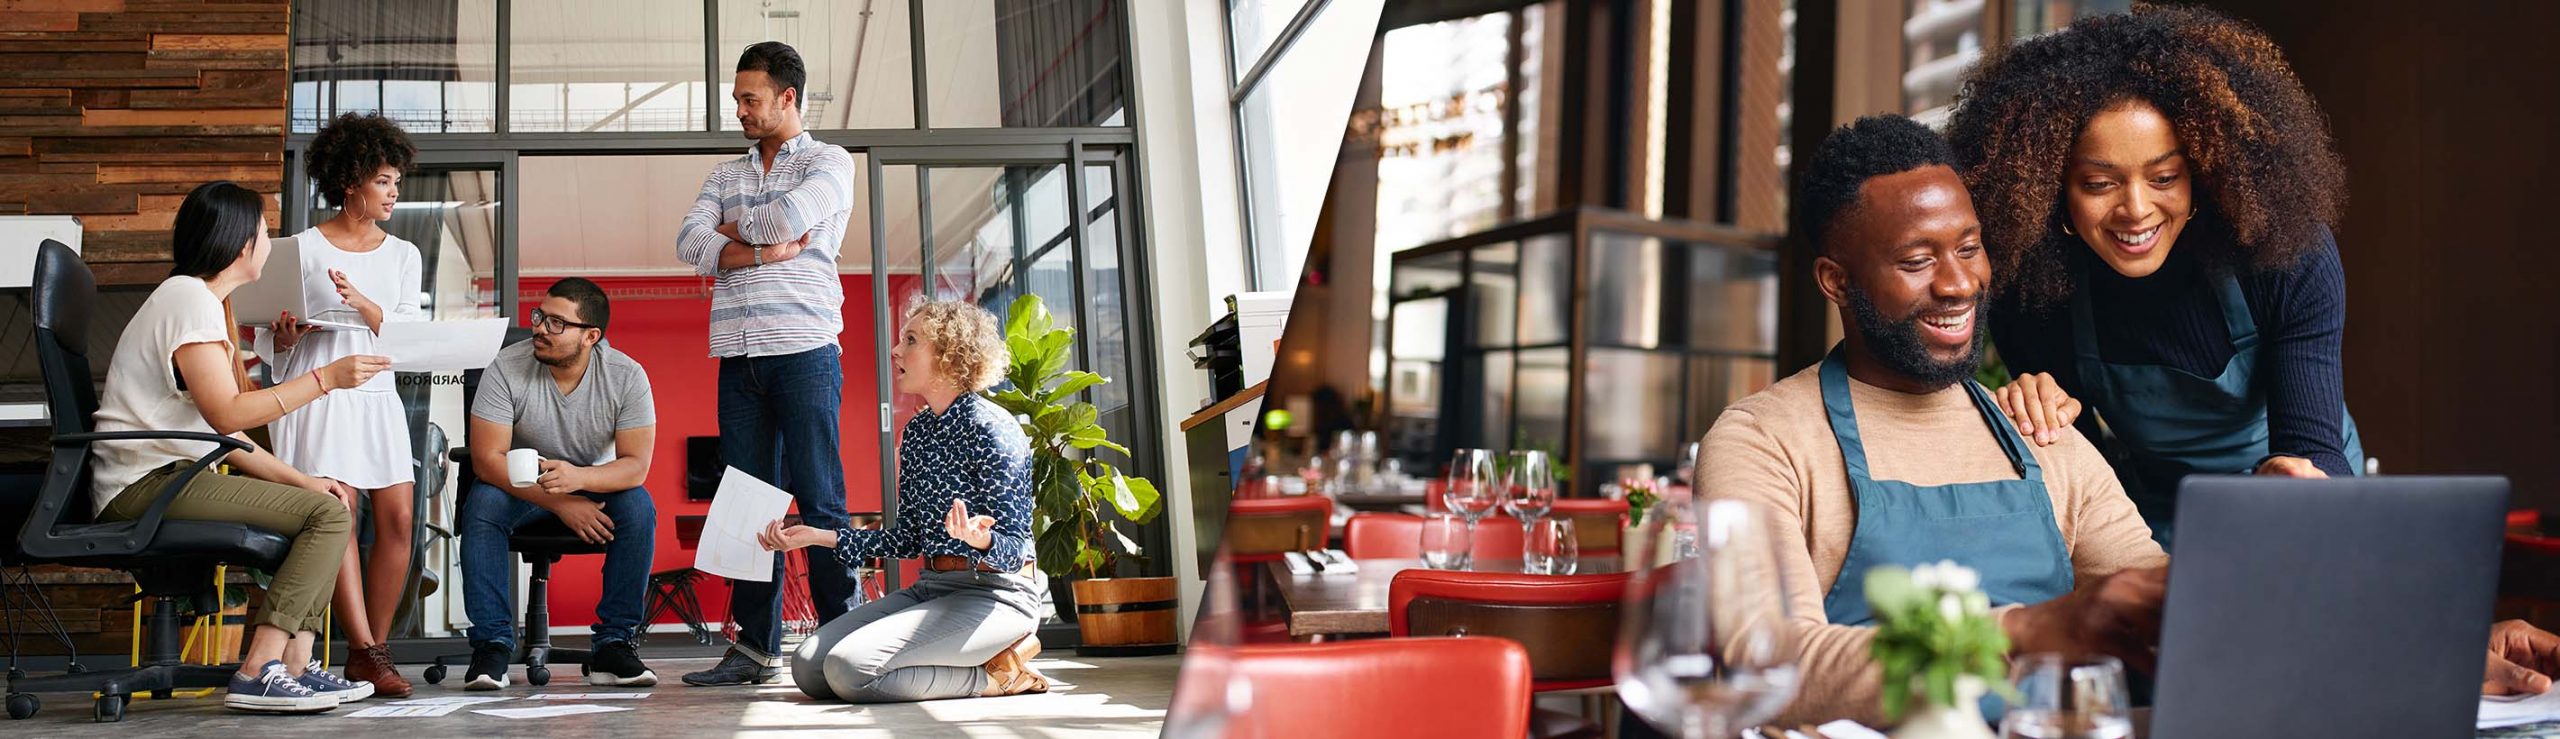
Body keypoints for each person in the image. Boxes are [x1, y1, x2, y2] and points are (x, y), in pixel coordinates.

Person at [1699, 115, 2170, 728]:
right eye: (1918, 259)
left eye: (1969, 248)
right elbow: (1768, 660)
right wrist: (2027, 630)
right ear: (1835, 281)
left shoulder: (2041, 429)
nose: (1958, 284)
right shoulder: (1763, 441)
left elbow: (2153, 598)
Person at [1947, 6, 2363, 547]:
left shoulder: (2284, 254)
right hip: (2153, 515)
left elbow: (2314, 444)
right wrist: (2040, 418)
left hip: (2297, 501)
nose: (2137, 210)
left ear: (2203, 171)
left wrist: (2299, 480)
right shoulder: (2032, 289)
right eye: (2099, 184)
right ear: (2052, 191)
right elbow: (2085, 478)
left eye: (2165, 176)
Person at [88, 181, 389, 713]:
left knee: (328, 502)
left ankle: (294, 665)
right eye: (264, 231)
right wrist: (326, 378)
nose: (269, 240)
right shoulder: (189, 298)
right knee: (327, 517)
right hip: (145, 485)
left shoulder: (202, 303)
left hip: (171, 474)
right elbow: (229, 415)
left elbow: (225, 436)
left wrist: (306, 481)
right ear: (241, 243)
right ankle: (259, 670)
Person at [673, 39, 863, 687]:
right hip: (738, 356)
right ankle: (755, 648)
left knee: (820, 497)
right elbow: (687, 239)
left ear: (788, 97)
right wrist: (759, 249)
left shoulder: (832, 162)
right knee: (748, 505)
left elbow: (788, 216)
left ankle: (843, 637)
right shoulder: (726, 173)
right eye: (737, 99)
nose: (740, 111)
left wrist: (730, 232)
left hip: (806, 349)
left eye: (750, 99)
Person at [759, 299, 1048, 703]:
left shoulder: (994, 429)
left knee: (849, 670)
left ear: (950, 355)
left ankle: (996, 677)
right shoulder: (918, 433)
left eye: (910, 340)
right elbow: (908, 539)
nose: (896, 351)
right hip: (932, 587)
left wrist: (981, 541)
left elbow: (1016, 550)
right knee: (808, 665)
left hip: (995, 594)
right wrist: (818, 537)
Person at [265, 111, 424, 695]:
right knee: (342, 514)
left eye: (396, 183)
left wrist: (361, 302)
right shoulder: (298, 250)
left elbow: (406, 339)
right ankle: (366, 649)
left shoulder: (403, 255)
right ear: (351, 181)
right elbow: (267, 341)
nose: (392, 193)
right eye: (383, 181)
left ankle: (370, 650)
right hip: (318, 390)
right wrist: (282, 338)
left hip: (377, 395)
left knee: (400, 519)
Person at [457, 278, 660, 690]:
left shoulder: (627, 376)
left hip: (591, 482)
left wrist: (579, 481)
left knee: (638, 507)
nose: (538, 328)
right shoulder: (507, 367)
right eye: (538, 316)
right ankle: (492, 645)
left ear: (590, 336)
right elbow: (486, 460)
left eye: (555, 322)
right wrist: (562, 503)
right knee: (483, 504)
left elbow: (635, 466)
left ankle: (613, 645)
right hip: (522, 487)